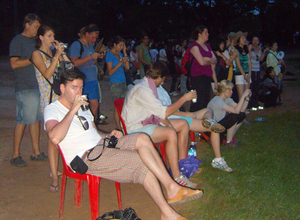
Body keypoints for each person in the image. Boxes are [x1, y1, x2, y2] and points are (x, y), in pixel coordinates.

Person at [44, 69, 203, 220]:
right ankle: (167, 213)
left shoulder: (83, 107)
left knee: (142, 138)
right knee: (140, 161)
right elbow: (55, 138)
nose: (79, 92)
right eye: (74, 88)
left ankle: (171, 187)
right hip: (85, 157)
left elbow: (93, 132)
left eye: (80, 88)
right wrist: (72, 110)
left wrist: (109, 135)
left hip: (101, 145)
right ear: (62, 88)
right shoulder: (53, 110)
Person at [122, 62, 199, 188]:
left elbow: (158, 114)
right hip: (136, 128)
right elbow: (164, 112)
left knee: (183, 124)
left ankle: (182, 164)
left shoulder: (148, 86)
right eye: (162, 79)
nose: (163, 82)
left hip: (146, 122)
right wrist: (184, 98)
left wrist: (169, 124)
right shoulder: (143, 90)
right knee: (170, 133)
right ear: (157, 77)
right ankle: (177, 177)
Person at [156, 85, 233, 172]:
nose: (163, 81)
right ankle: (218, 160)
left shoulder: (160, 88)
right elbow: (165, 112)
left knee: (208, 110)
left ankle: (209, 121)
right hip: (173, 119)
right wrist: (185, 114)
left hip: (177, 115)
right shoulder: (151, 91)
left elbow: (171, 107)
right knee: (214, 128)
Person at [31, 25, 71, 192]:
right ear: (40, 37)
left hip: (60, 98)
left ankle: (59, 169)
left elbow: (70, 68)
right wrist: (56, 56)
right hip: (48, 99)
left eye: (53, 35)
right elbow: (47, 74)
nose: (52, 38)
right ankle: (54, 176)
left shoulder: (54, 54)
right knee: (53, 139)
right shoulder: (36, 54)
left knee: (64, 135)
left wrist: (61, 53)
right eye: (49, 35)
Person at [9, 13, 47, 167]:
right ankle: (15, 155)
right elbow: (14, 63)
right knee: (23, 120)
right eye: (35, 26)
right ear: (27, 24)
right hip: (25, 87)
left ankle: (36, 152)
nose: (37, 30)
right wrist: (32, 60)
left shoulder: (34, 42)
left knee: (35, 120)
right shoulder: (17, 41)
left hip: (36, 86)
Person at [69, 24, 103, 120]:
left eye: (95, 38)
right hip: (83, 81)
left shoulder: (90, 47)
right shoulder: (77, 45)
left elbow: (91, 61)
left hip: (92, 80)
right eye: (93, 37)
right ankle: (90, 125)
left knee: (94, 105)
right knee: (89, 105)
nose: (94, 40)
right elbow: (74, 63)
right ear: (87, 34)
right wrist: (91, 57)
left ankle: (92, 124)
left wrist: (96, 59)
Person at [207, 80, 252, 148]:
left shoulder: (227, 99)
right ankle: (229, 141)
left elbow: (242, 110)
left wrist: (247, 98)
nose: (232, 92)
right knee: (233, 116)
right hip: (213, 129)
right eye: (229, 90)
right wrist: (243, 96)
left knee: (241, 115)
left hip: (220, 126)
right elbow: (236, 111)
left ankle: (230, 138)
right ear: (223, 90)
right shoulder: (217, 100)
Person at [189, 25, 218, 112]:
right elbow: (201, 62)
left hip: (207, 76)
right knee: (198, 100)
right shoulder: (194, 46)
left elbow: (215, 60)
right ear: (199, 34)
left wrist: (207, 59)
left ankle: (202, 119)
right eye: (205, 32)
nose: (208, 34)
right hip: (198, 76)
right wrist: (209, 60)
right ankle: (194, 118)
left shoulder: (207, 46)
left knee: (205, 99)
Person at [105, 35, 130, 130]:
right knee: (117, 105)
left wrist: (124, 53)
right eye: (120, 45)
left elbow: (127, 67)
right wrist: (120, 62)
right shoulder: (109, 55)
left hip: (122, 82)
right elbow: (110, 72)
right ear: (115, 44)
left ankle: (123, 124)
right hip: (115, 83)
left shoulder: (120, 54)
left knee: (124, 103)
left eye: (123, 45)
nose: (121, 47)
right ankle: (118, 127)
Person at [248, 36, 268, 111]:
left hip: (258, 69)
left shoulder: (259, 48)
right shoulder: (250, 47)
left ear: (259, 41)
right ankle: (251, 103)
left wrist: (264, 52)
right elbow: (249, 57)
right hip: (252, 69)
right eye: (254, 40)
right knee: (252, 86)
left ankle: (256, 102)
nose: (255, 41)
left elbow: (261, 59)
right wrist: (250, 50)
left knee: (257, 86)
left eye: (256, 40)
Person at [234, 31, 251, 100]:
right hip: (239, 75)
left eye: (244, 38)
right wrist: (245, 75)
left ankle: (245, 109)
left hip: (247, 74)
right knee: (241, 96)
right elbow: (238, 65)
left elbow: (249, 63)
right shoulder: (236, 51)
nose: (244, 40)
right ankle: (241, 110)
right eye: (242, 38)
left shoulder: (247, 51)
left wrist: (249, 74)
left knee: (247, 95)